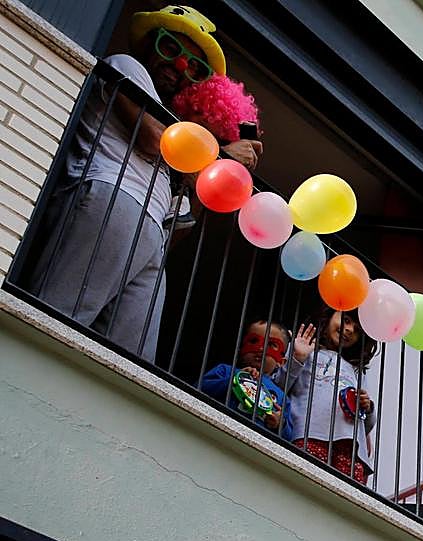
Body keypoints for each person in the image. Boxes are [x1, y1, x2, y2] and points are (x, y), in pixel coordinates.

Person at [29, 5, 261, 359]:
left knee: (129, 359)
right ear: (150, 43)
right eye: (171, 47)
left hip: (150, 237)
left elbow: (178, 230)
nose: (180, 66)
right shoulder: (127, 66)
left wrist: (208, 175)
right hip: (114, 195)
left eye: (194, 67)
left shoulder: (180, 144)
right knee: (58, 318)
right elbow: (153, 138)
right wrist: (221, 153)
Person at [288, 309, 378, 484]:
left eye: (357, 330)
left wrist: (368, 407)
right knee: (307, 484)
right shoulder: (306, 351)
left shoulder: (357, 371)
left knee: (347, 492)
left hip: (350, 447)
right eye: (346, 320)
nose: (350, 330)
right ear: (329, 316)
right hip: (309, 435)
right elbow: (280, 385)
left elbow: (367, 424)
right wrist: (297, 357)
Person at [199, 320, 305, 439]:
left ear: (281, 361)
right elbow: (200, 388)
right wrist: (233, 379)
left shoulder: (281, 397)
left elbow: (288, 437)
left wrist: (280, 424)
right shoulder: (226, 371)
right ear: (241, 349)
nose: (261, 348)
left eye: (271, 345)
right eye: (254, 341)